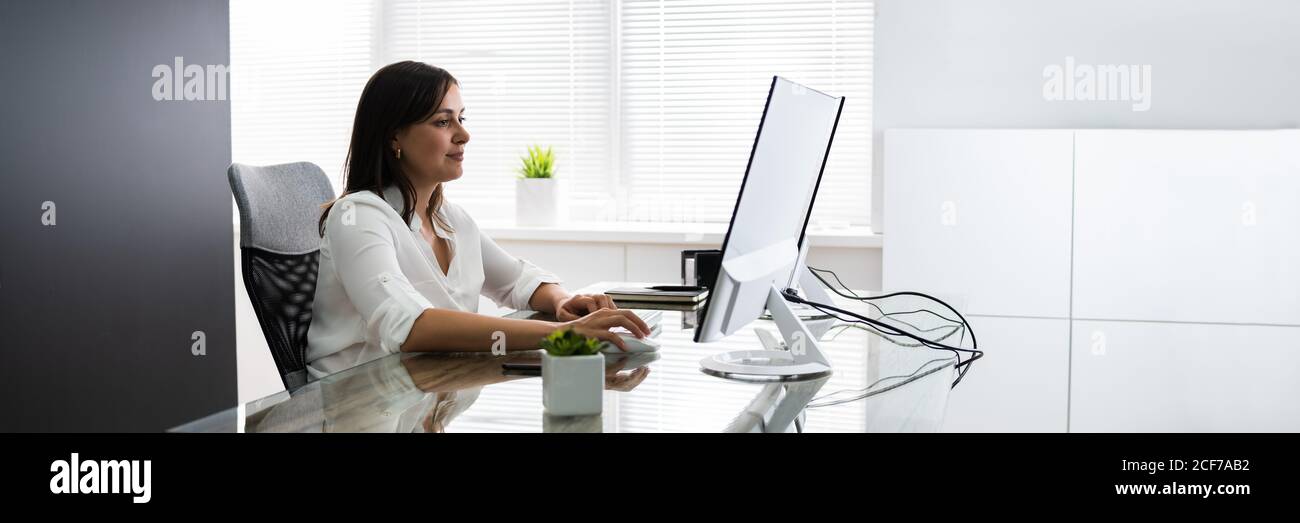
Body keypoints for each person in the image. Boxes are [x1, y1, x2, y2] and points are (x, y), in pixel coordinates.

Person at [306, 61, 650, 378]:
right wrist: (561, 335)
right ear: (394, 137)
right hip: (355, 406)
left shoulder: (450, 219)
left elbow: (518, 281)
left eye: (461, 118)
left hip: (427, 394)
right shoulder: (357, 218)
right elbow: (410, 326)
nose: (463, 135)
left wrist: (562, 301)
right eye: (443, 121)